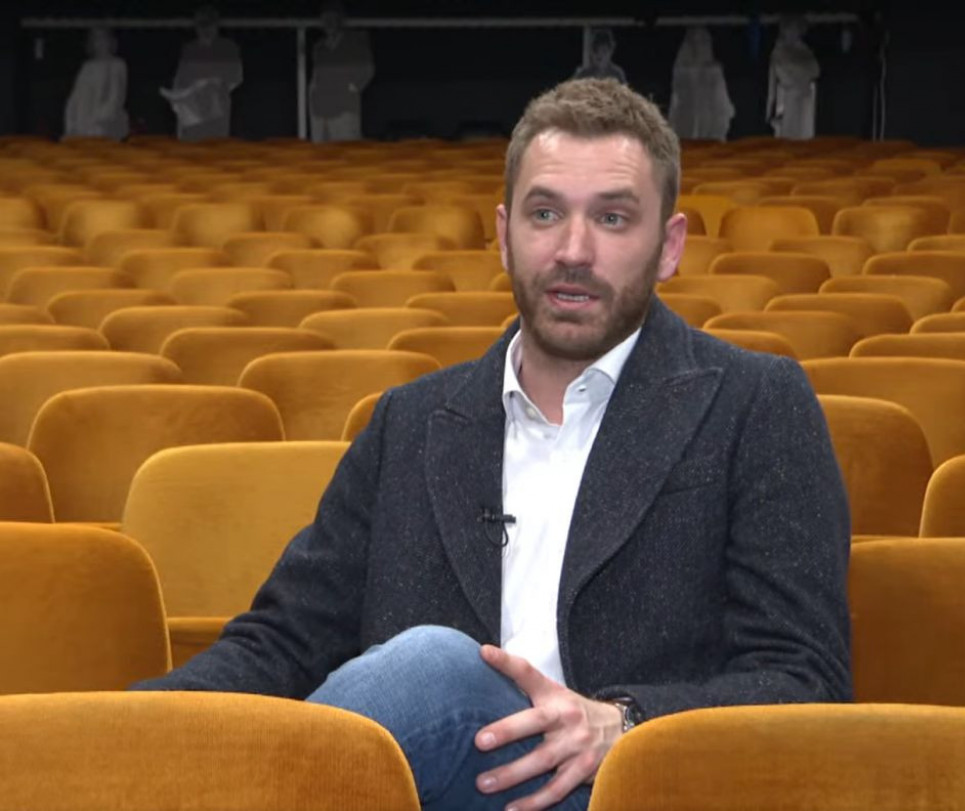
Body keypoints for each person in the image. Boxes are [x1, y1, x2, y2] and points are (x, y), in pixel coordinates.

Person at [133, 78, 852, 810]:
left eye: (612, 218)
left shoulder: (755, 404)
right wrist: (117, 728)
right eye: (546, 214)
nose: (573, 250)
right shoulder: (410, 423)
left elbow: (805, 681)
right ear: (504, 235)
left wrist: (623, 723)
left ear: (668, 247)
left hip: (627, 794)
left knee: (433, 668)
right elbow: (282, 643)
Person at [165, 5, 242, 141]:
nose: (206, 30)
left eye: (209, 25)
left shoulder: (228, 48)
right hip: (192, 112)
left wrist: (210, 87)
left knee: (215, 145)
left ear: (216, 26)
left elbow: (235, 78)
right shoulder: (189, 49)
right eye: (202, 26)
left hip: (217, 111)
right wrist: (178, 103)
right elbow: (180, 80)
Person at [308, 1, 375, 142]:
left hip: (344, 112)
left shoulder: (355, 42)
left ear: (340, 19)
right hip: (320, 113)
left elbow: (367, 69)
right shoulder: (319, 47)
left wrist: (352, 87)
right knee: (320, 152)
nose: (328, 22)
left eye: (332, 17)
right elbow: (316, 75)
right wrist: (313, 96)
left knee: (346, 149)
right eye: (325, 18)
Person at [667, 26, 734, 141]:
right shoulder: (683, 69)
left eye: (701, 42)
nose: (697, 45)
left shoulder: (714, 73)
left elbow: (725, 109)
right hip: (687, 133)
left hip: (708, 136)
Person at [64, 27, 129, 140]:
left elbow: (116, 98)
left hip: (104, 127)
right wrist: (71, 123)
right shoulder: (87, 67)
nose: (99, 42)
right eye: (95, 39)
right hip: (81, 126)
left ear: (110, 41)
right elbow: (75, 97)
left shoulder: (117, 65)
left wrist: (97, 121)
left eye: (102, 38)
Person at [766, 15, 820, 139]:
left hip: (805, 98)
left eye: (796, 29)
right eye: (790, 29)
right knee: (788, 136)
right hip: (788, 99)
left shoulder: (804, 50)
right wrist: (770, 110)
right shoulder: (778, 51)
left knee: (805, 135)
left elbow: (815, 71)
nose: (793, 33)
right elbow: (777, 79)